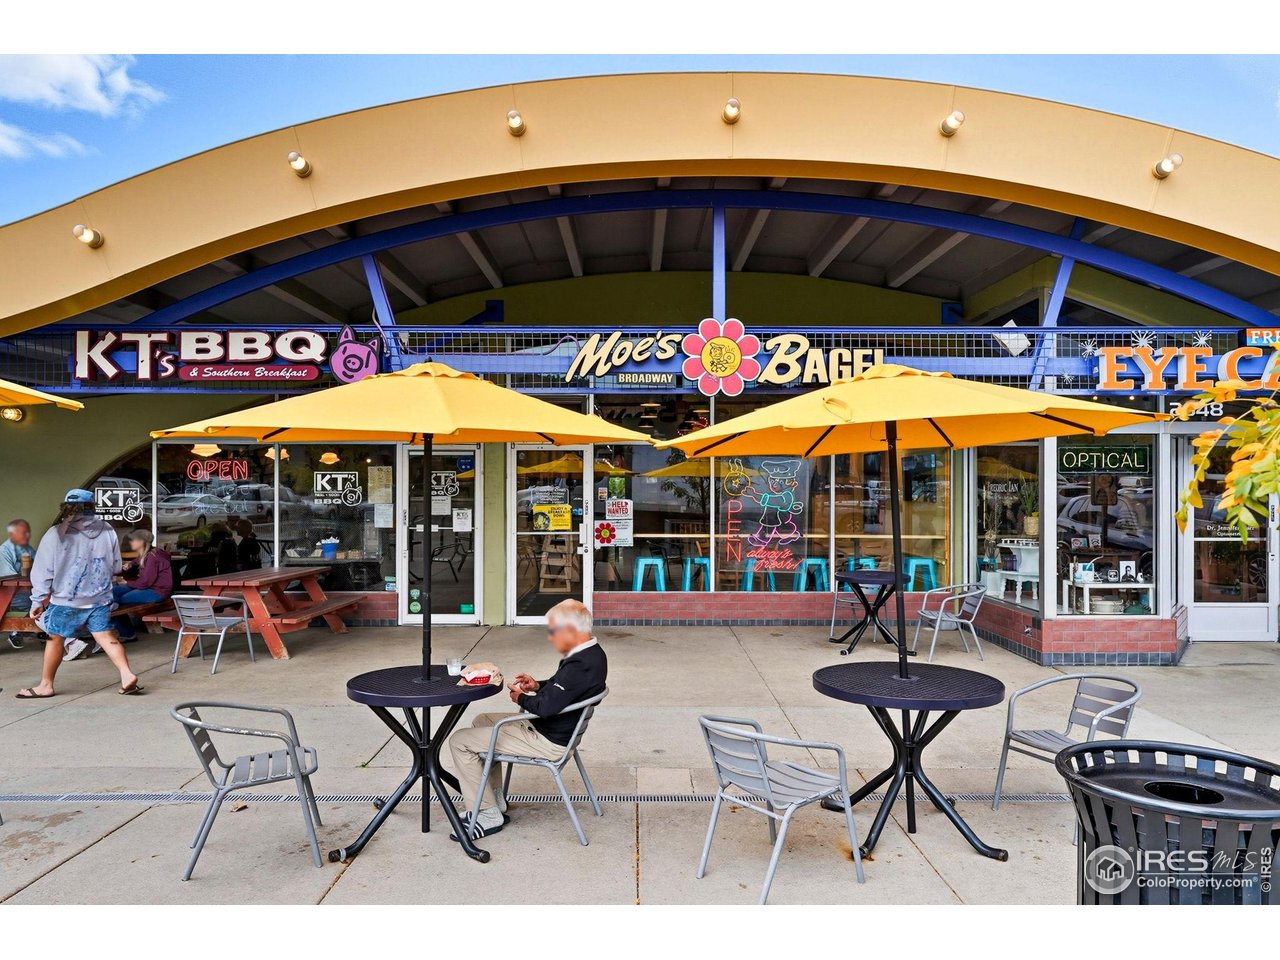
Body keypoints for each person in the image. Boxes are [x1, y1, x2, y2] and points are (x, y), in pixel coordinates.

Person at [447, 598, 607, 840]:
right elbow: (563, 690)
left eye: (554, 630)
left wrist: (520, 697)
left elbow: (545, 708)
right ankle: (495, 799)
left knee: (459, 741)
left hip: (547, 739)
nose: (551, 636)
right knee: (482, 720)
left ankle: (486, 814)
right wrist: (537, 685)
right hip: (555, 729)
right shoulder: (591, 654)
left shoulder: (580, 666)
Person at [15, 489, 141, 698]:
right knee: (105, 636)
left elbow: (44, 570)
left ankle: (46, 685)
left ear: (65, 508)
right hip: (99, 598)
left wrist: (37, 600)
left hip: (66, 599)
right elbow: (117, 565)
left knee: (54, 638)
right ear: (92, 507)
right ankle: (127, 674)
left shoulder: (56, 533)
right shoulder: (107, 530)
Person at [110, 528, 173, 641]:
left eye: (133, 540)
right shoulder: (152, 552)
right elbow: (140, 559)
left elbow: (145, 582)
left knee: (117, 600)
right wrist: (131, 563)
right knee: (112, 592)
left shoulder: (153, 558)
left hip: (156, 592)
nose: (130, 543)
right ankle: (122, 630)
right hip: (148, 587)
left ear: (141, 542)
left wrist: (127, 582)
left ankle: (127, 633)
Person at [1, 518, 36, 649]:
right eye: (23, 532)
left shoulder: (26, 548)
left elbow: (41, 563)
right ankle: (15, 631)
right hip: (8, 592)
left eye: (28, 532)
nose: (27, 535)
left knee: (45, 597)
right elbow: (9, 579)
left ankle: (41, 629)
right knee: (32, 600)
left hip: (26, 587)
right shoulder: (4, 552)